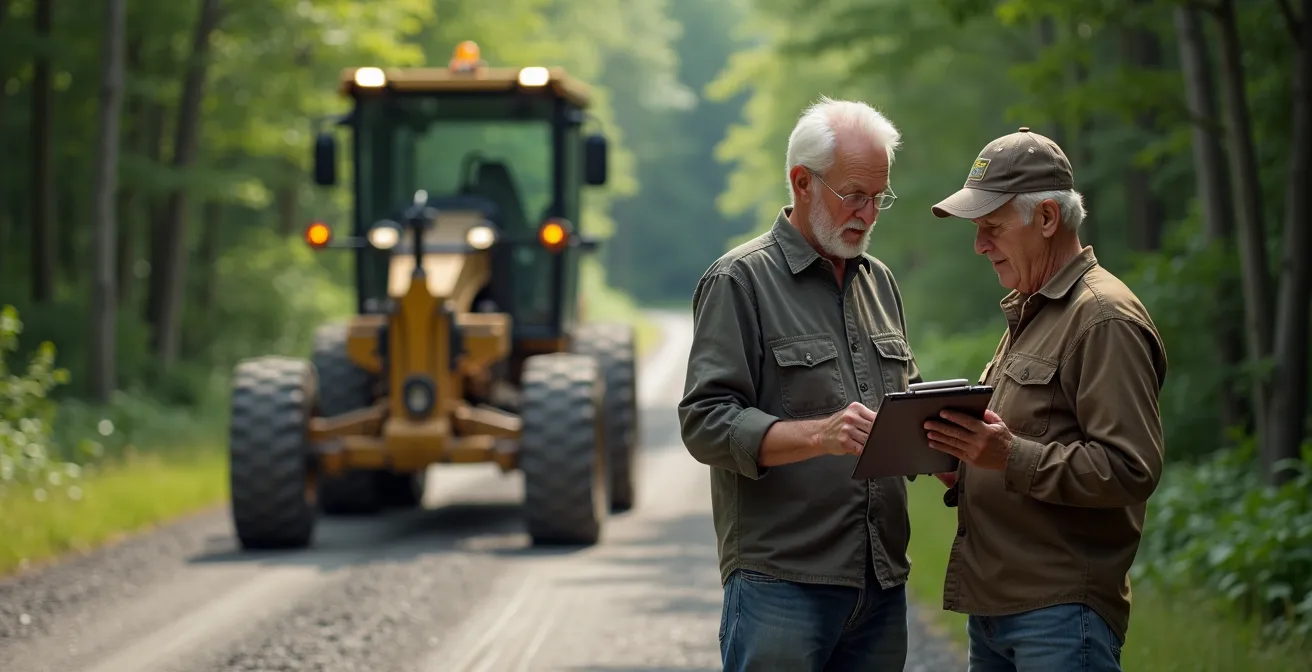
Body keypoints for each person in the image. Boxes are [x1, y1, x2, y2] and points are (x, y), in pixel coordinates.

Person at [678, 95, 921, 671]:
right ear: (801, 182)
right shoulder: (739, 280)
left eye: (878, 197)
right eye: (854, 195)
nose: (867, 212)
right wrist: (820, 435)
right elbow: (704, 422)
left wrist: (950, 438)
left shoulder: (879, 282)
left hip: (881, 580)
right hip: (779, 585)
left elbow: (906, 404)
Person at [923, 126, 1169, 671]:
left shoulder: (1102, 317)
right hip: (999, 610)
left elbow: (1130, 468)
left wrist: (1005, 456)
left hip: (1059, 618)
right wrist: (962, 464)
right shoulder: (1034, 309)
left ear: (1048, 218)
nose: (979, 245)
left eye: (991, 227)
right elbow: (1035, 440)